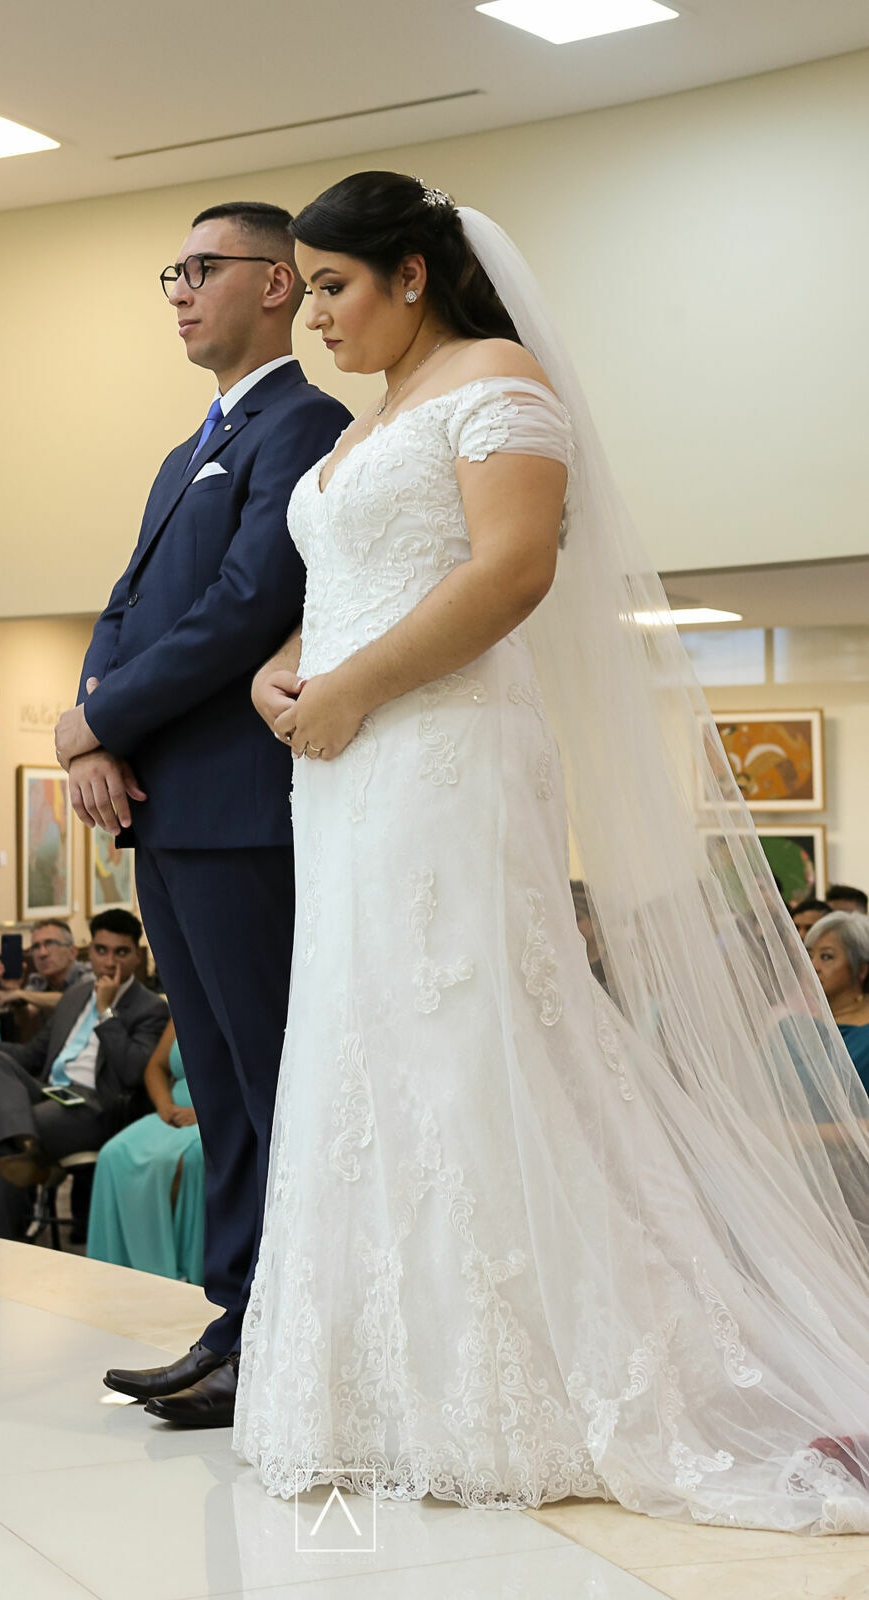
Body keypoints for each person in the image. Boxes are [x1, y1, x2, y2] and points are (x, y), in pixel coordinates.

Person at [231, 172, 869, 1532]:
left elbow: (509, 569)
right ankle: (376, 1387)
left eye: (333, 287)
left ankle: (519, 1379)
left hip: (443, 750)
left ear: (411, 273)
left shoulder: (494, 379)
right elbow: (347, 582)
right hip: (346, 764)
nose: (316, 319)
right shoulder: (376, 419)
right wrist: (285, 672)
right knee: (362, 1035)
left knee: (465, 1027)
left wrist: (351, 690)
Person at [53, 200, 350, 1421]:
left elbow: (244, 604)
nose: (177, 291)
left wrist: (105, 717)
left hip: (244, 808)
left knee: (273, 1076)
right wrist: (92, 729)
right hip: (165, 812)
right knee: (220, 1082)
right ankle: (236, 1317)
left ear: (277, 283)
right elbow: (125, 607)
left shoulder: (307, 422)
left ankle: (292, 1330)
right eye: (168, 272)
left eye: (200, 268)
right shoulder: (190, 448)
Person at [0, 910, 166, 1240]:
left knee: (2, 1140)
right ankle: (25, 1140)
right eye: (101, 951)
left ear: (137, 956)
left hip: (93, 1107)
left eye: (121, 952)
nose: (109, 962)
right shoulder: (75, 996)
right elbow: (32, 1055)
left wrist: (106, 1012)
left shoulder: (150, 1008)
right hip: (49, 1091)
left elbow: (134, 1073)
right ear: (90, 953)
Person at [87, 1018, 204, 1284]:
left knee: (179, 1161)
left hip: (220, 1119)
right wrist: (164, 1106)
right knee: (112, 1154)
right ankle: (113, 1269)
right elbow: (156, 1067)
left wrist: (205, 1115)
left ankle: (178, 1273)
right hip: (172, 1113)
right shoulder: (183, 1006)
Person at [806, 913, 869, 1089]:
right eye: (809, 955)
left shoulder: (865, 1037)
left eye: (826, 957)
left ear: (861, 969)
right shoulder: (796, 1025)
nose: (813, 966)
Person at [0, 919, 90, 1016]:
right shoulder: (38, 980)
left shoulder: (88, 974)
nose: (42, 953)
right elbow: (29, 1014)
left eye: (50, 944)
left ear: (72, 952)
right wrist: (12, 989)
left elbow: (74, 1000)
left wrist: (19, 994)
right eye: (36, 946)